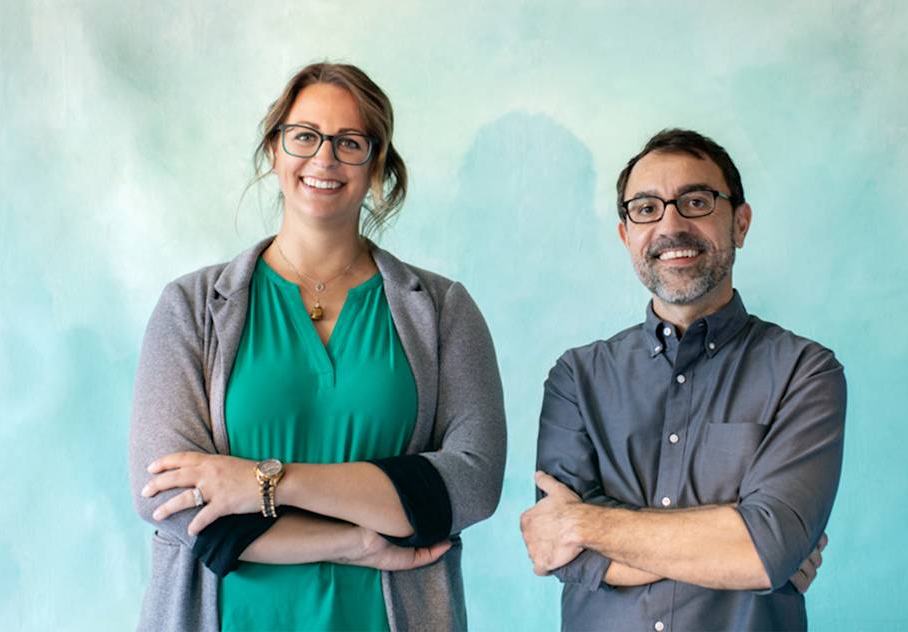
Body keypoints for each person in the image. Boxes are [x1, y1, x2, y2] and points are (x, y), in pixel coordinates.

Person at [129, 62, 506, 632]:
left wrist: (262, 481)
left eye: (350, 142)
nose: (324, 159)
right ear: (274, 150)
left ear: (377, 164)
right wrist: (353, 542)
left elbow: (471, 483)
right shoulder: (190, 308)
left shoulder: (443, 310)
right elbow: (169, 499)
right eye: (304, 136)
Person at [520, 129, 845, 631]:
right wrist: (734, 551)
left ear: (740, 222)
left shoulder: (805, 372)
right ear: (626, 234)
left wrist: (584, 522)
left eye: (695, 201)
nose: (671, 224)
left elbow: (765, 552)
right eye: (646, 208)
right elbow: (561, 553)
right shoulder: (576, 378)